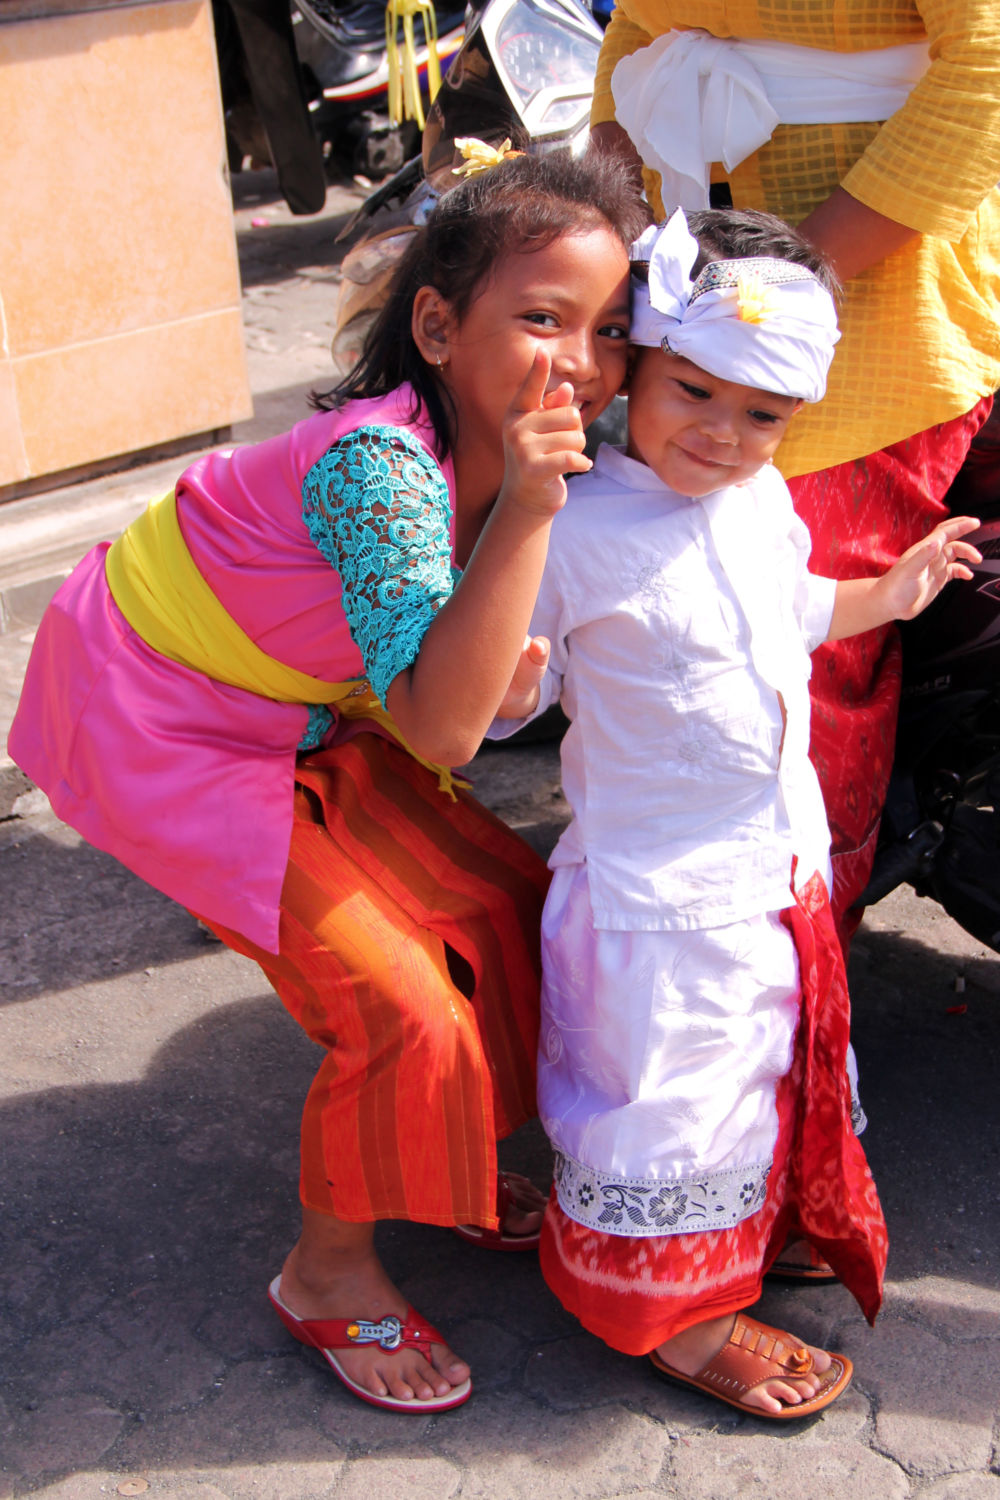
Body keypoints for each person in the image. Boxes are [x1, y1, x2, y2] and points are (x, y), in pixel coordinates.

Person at [8, 150, 649, 1414]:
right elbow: (444, 733)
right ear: (435, 324)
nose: (580, 360)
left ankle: (437, 1152)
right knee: (399, 1003)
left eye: (610, 330)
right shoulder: (384, 467)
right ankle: (324, 1270)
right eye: (540, 318)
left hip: (306, 709)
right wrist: (523, 513)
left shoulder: (525, 440)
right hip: (166, 713)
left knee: (506, 898)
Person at [491, 208, 981, 1418]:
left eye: (760, 414)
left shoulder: (762, 505)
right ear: (634, 373)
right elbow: (504, 704)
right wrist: (509, 675)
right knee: (677, 1095)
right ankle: (672, 1315)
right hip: (659, 900)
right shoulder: (571, 523)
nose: (720, 433)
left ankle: (752, 1226)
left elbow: (793, 616)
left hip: (777, 867)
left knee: (765, 1064)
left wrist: (890, 594)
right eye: (691, 393)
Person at [589, 0, 1000, 950]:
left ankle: (800, 952)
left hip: (875, 313)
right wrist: (626, 233)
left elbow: (984, 61)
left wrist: (793, 284)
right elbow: (630, 34)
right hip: (686, 297)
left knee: (788, 671)